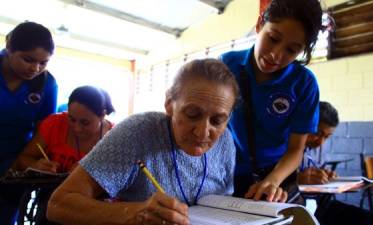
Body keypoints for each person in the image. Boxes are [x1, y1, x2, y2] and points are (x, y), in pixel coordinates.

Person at [47, 58, 245, 225]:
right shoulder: (138, 132)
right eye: (192, 114)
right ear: (169, 104)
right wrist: (136, 213)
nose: (203, 132)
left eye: (218, 121)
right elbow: (59, 204)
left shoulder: (225, 141)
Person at [220, 0, 323, 201]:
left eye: (291, 50)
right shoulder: (226, 65)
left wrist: (273, 180)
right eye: (273, 38)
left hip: (278, 175)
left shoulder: (304, 84)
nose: (276, 55)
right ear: (259, 25)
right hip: (227, 172)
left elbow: (296, 149)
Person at [0, 21, 57, 225]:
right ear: (9, 48)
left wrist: (37, 163)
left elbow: (44, 133)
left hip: (14, 166)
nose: (35, 68)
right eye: (28, 59)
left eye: (44, 63)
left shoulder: (47, 84)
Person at [298, 101, 373, 225]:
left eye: (327, 137)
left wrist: (325, 177)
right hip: (298, 207)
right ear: (305, 125)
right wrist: (297, 179)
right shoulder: (282, 148)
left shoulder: (317, 150)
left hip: (318, 204)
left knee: (372, 220)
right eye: (317, 134)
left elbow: (315, 176)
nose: (321, 142)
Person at [15, 85, 115, 173]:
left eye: (85, 123)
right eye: (71, 119)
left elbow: (119, 181)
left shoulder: (115, 136)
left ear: (102, 115)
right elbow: (24, 158)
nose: (77, 128)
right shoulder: (54, 123)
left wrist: (91, 173)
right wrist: (36, 165)